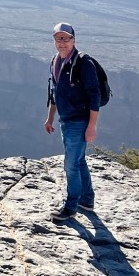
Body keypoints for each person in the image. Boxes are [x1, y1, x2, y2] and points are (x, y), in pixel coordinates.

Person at [44, 22, 100, 221]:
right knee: (79, 161)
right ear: (54, 41)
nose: (62, 42)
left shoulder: (83, 62)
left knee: (70, 166)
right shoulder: (55, 61)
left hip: (79, 121)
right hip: (65, 120)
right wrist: (50, 118)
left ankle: (71, 206)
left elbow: (95, 95)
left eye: (66, 38)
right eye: (59, 38)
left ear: (73, 40)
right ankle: (87, 199)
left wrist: (92, 126)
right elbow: (55, 93)